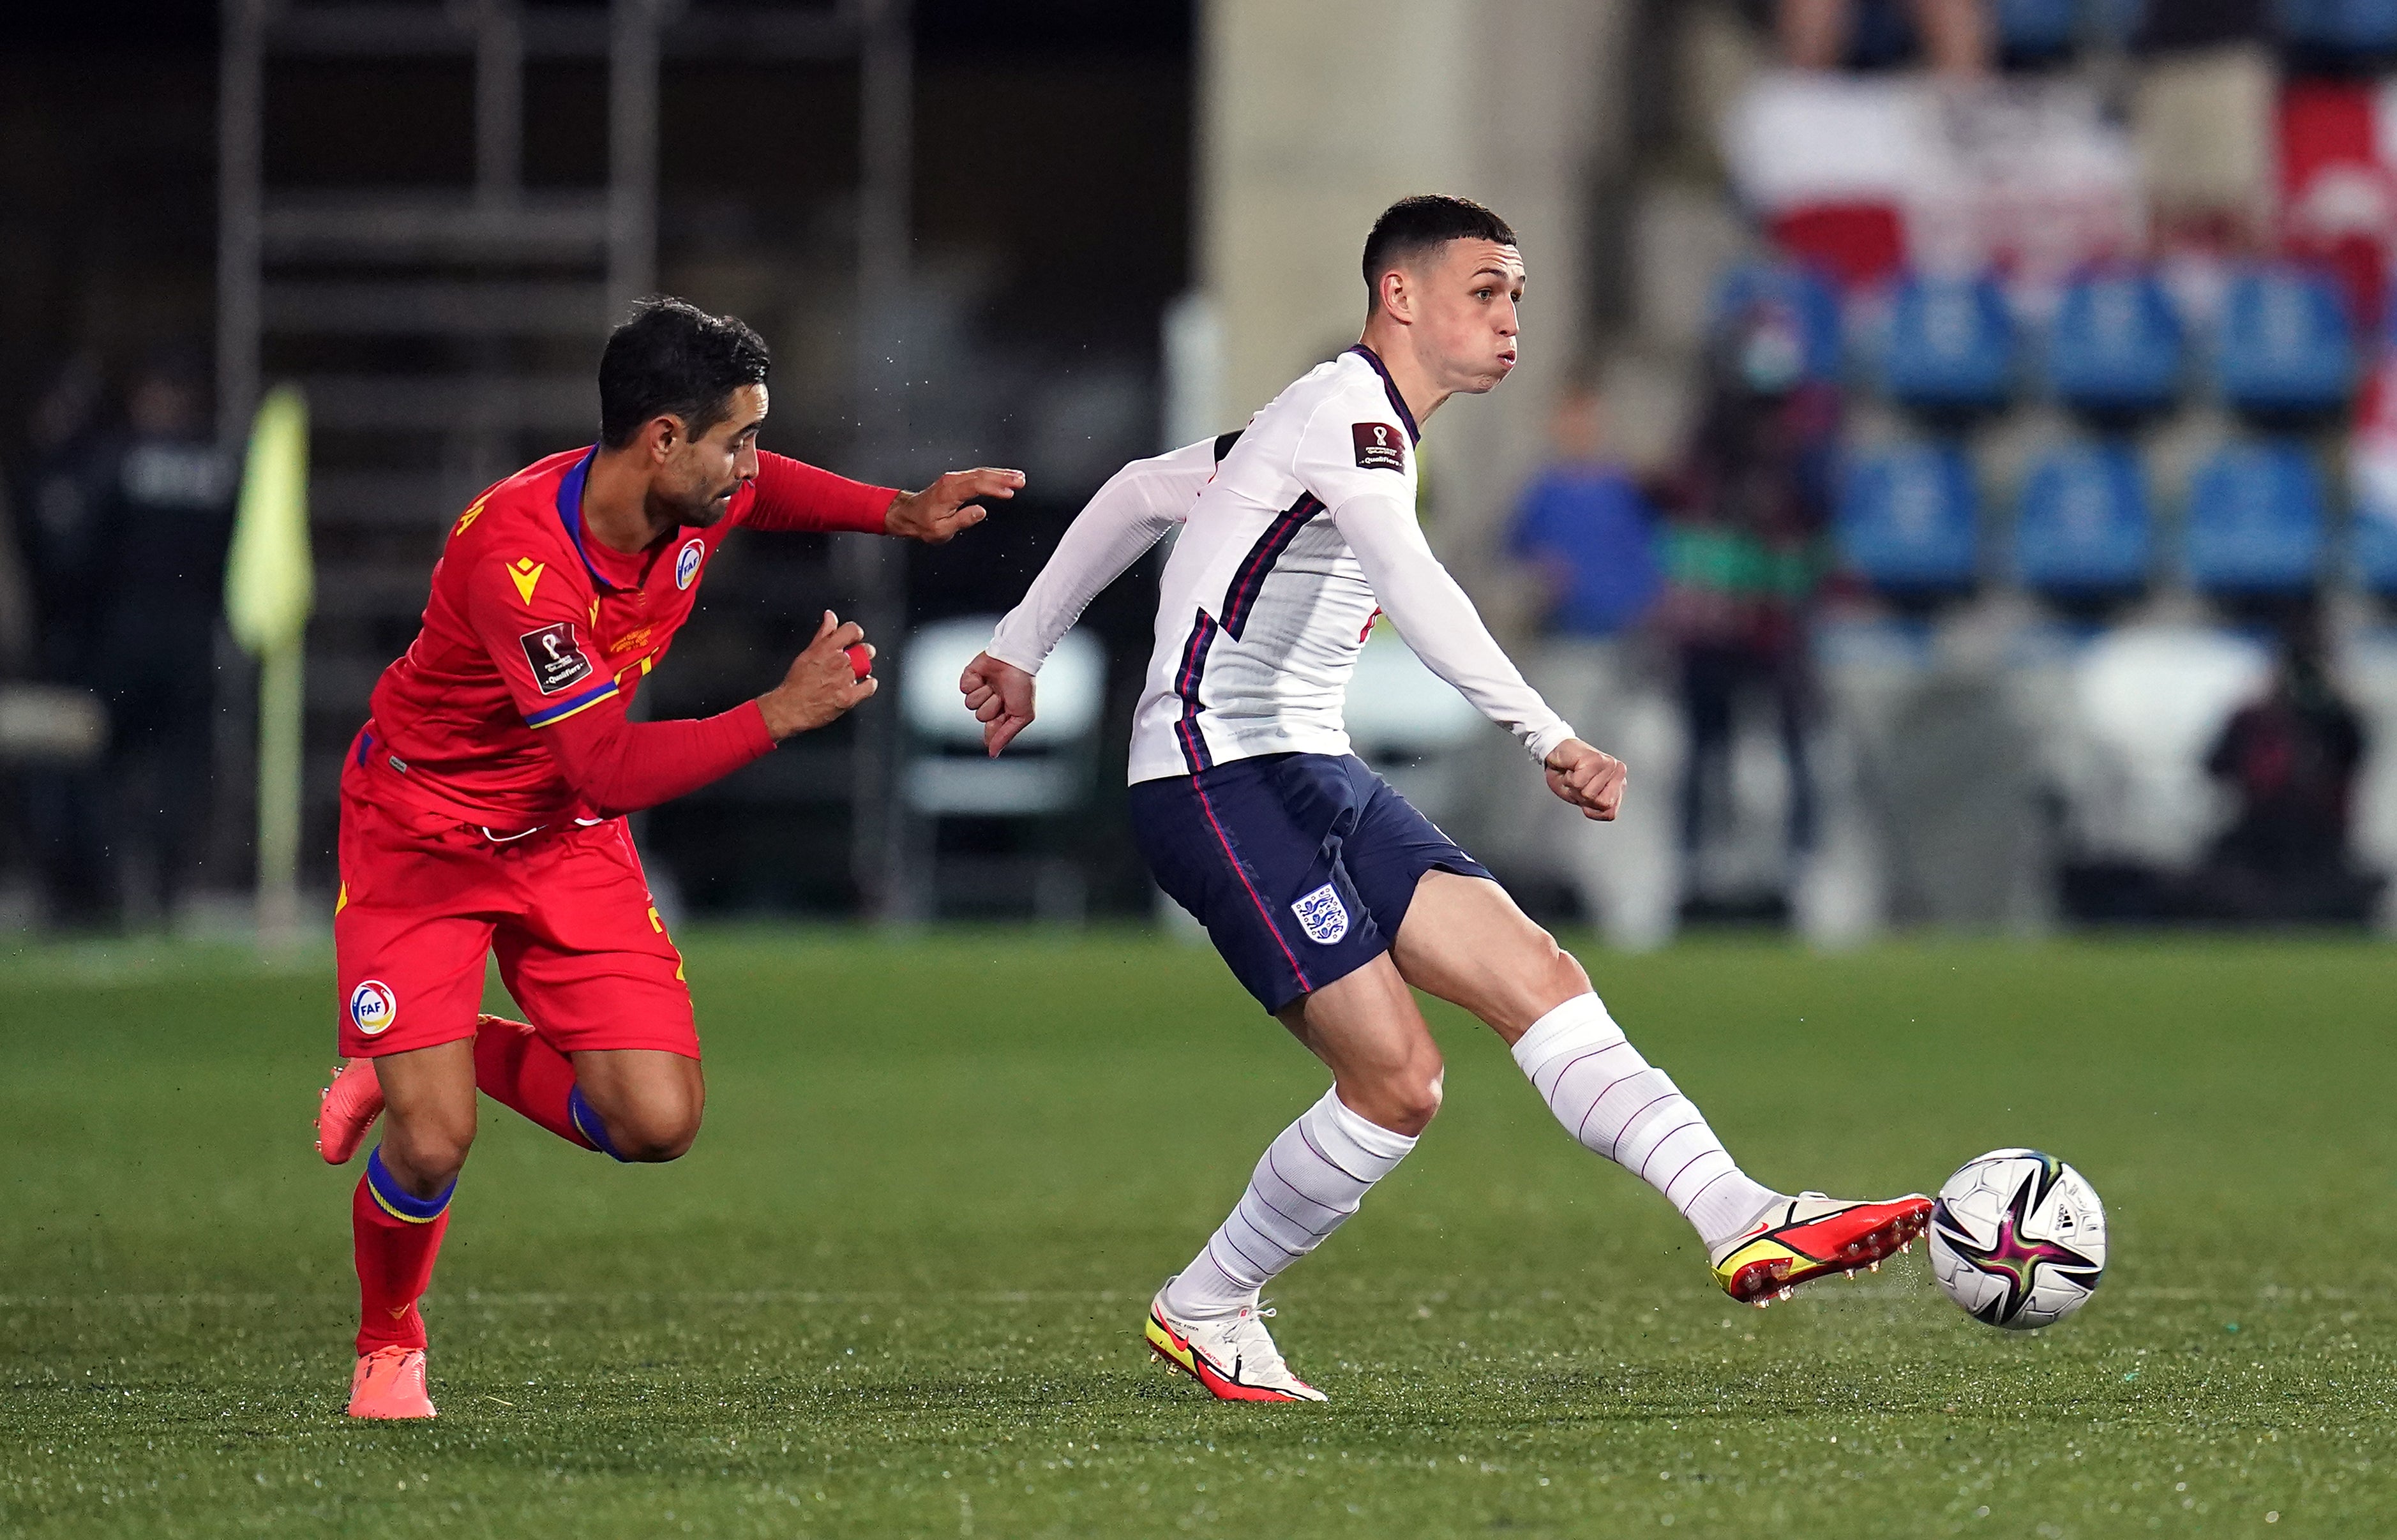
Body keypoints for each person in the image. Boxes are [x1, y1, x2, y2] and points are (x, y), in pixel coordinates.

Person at [958, 197, 1927, 1403]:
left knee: (1542, 977)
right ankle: (1207, 1304)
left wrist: (1020, 643)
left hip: (1308, 769)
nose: (1510, 315)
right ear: (1401, 295)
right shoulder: (1349, 412)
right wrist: (1547, 732)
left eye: (1517, 292)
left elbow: (1143, 490)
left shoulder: (1328, 420)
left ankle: (1741, 1213)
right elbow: (1409, 579)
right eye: (1485, 289)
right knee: (1399, 1082)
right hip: (1213, 775)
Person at [310, 297, 1020, 1419]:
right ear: (663, 442)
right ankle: (389, 1341)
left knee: (656, 1122)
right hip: (424, 836)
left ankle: (417, 1050)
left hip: (559, 839)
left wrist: (898, 511)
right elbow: (602, 764)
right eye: (736, 438)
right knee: (434, 1140)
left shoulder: (693, 493)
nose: (751, 464)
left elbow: (774, 486)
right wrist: (778, 713)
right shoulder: (519, 560)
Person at [1654, 298, 1840, 917]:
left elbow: (1817, 512)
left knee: (1794, 745)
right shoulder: (1711, 436)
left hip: (1776, 621)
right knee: (1705, 748)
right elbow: (1684, 504)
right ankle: (1692, 866)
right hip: (1711, 623)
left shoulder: (1803, 438)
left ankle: (1802, 867)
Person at [1506, 385, 1678, 948]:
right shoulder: (1543, 494)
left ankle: (1637, 906)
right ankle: (1564, 901)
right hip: (1564, 656)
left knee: (1634, 775)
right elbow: (1513, 565)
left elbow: (1654, 567)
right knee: (1558, 787)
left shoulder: (1626, 491)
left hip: (1624, 656)